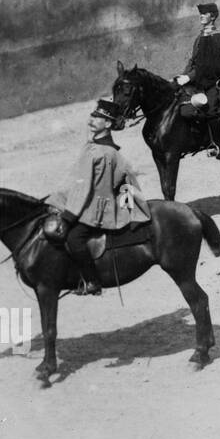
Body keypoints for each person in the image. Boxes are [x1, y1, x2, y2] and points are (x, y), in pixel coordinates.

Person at [52, 99, 151, 296]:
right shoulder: (93, 147)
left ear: (107, 124)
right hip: (89, 202)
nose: (92, 119)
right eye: (93, 115)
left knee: (74, 238)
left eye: (99, 117)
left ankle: (92, 281)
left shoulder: (104, 152)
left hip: (98, 209)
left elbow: (89, 188)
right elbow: (78, 181)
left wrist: (69, 215)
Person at [176, 2, 220, 157]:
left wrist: (189, 77)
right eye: (200, 14)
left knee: (210, 110)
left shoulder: (217, 38)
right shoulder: (200, 37)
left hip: (214, 81)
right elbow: (193, 61)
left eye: (205, 13)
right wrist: (183, 76)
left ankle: (219, 145)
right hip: (199, 80)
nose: (201, 16)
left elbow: (208, 67)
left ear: (213, 17)